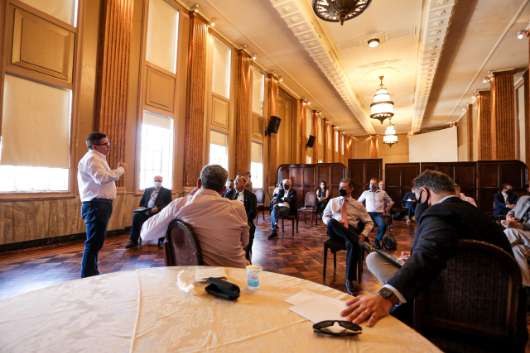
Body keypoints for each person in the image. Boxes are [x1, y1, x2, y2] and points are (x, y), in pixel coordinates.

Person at [341, 170, 525, 350]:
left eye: (416, 197)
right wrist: (415, 255)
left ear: (424, 193)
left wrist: (386, 297)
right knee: (377, 259)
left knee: (379, 312)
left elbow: (429, 253)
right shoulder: (474, 213)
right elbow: (445, 249)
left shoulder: (439, 212)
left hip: (449, 312)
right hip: (503, 316)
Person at [140, 165, 249, 268]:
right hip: (237, 274)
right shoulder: (238, 207)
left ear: (198, 183)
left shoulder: (180, 205)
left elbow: (145, 233)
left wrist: (188, 197)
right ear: (224, 189)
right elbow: (245, 242)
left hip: (194, 279)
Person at [77, 132, 125, 278]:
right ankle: (88, 275)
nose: (108, 146)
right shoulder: (92, 158)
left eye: (108, 143)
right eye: (105, 144)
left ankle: (91, 272)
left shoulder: (97, 158)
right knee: (94, 241)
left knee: (96, 241)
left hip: (99, 205)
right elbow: (102, 178)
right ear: (95, 146)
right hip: (96, 205)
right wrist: (121, 170)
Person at [322, 178, 373, 294]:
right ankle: (359, 242)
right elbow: (325, 216)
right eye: (340, 188)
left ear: (351, 189)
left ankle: (349, 280)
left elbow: (369, 222)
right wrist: (331, 222)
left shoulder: (358, 205)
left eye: (344, 188)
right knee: (331, 222)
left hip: (349, 231)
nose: (341, 190)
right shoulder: (333, 201)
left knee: (352, 244)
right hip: (334, 230)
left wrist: (364, 234)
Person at [125, 176, 172, 249]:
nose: (157, 182)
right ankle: (133, 241)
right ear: (153, 181)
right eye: (156, 180)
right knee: (136, 216)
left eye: (159, 181)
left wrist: (158, 208)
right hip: (147, 212)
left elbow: (168, 204)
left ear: (162, 181)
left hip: (159, 213)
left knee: (164, 219)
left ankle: (161, 241)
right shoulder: (147, 190)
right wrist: (146, 209)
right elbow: (142, 203)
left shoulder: (167, 191)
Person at [226, 175, 257, 260]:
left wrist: (243, 219)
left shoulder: (251, 196)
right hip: (231, 221)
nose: (235, 182)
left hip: (245, 221)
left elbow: (253, 213)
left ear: (244, 183)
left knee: (251, 227)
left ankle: (247, 254)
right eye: (235, 180)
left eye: (238, 181)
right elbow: (225, 210)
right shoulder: (228, 194)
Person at [358, 178, 394, 249]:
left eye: (374, 183)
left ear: (377, 185)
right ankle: (365, 239)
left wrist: (386, 209)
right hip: (368, 214)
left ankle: (377, 240)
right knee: (360, 225)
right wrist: (362, 210)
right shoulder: (365, 192)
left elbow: (391, 201)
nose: (372, 185)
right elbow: (358, 202)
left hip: (378, 214)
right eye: (371, 183)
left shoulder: (382, 192)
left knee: (383, 225)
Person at [502, 209, 530, 288]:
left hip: (524, 231)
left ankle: (492, 254)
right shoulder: (525, 199)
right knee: (517, 249)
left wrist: (519, 225)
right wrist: (509, 217)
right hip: (526, 241)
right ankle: (526, 286)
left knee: (510, 232)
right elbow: (513, 211)